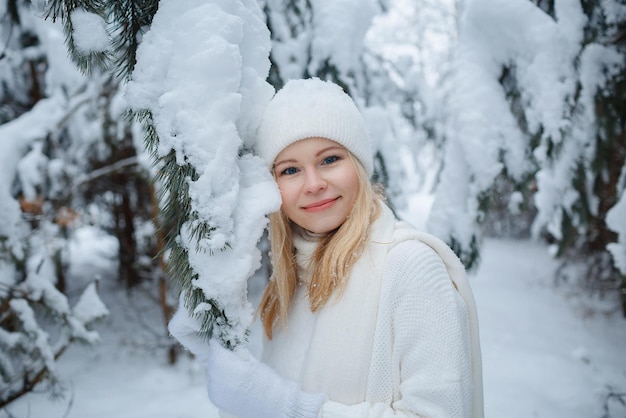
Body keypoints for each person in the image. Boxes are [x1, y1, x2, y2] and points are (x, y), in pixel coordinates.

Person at [168, 78, 484, 418]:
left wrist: (286, 407)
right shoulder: (285, 285)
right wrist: (217, 353)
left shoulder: (410, 267)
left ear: (359, 167)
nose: (315, 184)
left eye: (330, 159)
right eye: (290, 170)